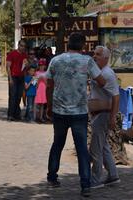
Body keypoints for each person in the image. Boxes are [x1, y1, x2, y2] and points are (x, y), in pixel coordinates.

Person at [46, 32, 106, 197]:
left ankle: (52, 178)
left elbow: (49, 84)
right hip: (79, 112)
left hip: (59, 111)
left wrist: (49, 106)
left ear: (68, 44)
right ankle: (85, 185)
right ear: (83, 46)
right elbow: (102, 81)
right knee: (81, 149)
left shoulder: (55, 60)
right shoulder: (87, 61)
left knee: (57, 144)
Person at [88, 46, 120, 188]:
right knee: (103, 147)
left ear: (106, 58)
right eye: (94, 53)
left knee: (96, 149)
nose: (95, 56)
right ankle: (113, 175)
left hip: (103, 115)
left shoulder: (107, 73)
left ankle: (95, 180)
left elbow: (116, 97)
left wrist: (113, 117)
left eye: (98, 54)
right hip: (98, 114)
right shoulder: (98, 71)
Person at [6, 40, 28, 121]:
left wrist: (26, 64)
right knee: (13, 96)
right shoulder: (12, 54)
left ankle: (16, 114)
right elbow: (8, 67)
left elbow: (26, 67)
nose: (23, 47)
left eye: (24, 46)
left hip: (21, 77)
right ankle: (10, 114)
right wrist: (10, 78)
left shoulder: (24, 55)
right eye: (21, 46)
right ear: (18, 45)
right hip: (13, 77)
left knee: (19, 96)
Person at [35, 58, 47, 123]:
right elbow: (34, 82)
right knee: (37, 104)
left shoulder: (46, 73)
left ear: (45, 66)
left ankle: (41, 117)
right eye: (40, 66)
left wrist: (44, 80)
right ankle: (36, 116)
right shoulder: (36, 73)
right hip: (38, 90)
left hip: (43, 90)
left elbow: (47, 84)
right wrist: (39, 80)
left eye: (43, 66)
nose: (41, 67)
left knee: (42, 104)